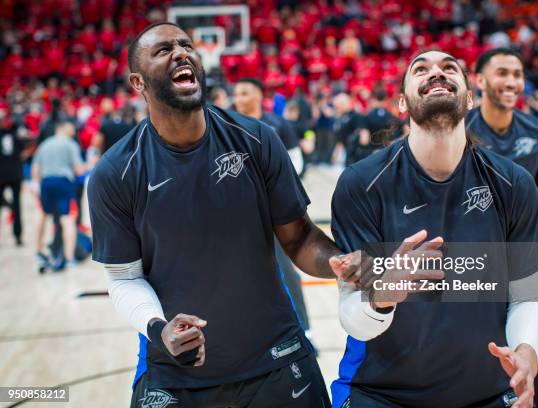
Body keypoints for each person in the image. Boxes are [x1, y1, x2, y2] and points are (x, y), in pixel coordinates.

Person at [87, 22, 359, 408]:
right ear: (138, 83)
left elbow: (298, 238)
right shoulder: (115, 173)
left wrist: (345, 263)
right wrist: (158, 328)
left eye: (186, 46)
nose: (181, 53)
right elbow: (124, 278)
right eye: (163, 50)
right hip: (176, 370)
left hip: (276, 358)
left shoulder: (257, 139)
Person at [331, 50, 538, 408]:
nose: (437, 73)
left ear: (470, 98)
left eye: (449, 68)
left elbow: (526, 297)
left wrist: (526, 351)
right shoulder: (360, 184)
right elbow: (354, 320)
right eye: (421, 69)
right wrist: (381, 297)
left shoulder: (513, 182)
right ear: (402, 102)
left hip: (487, 392)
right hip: (381, 394)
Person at [468, 47, 538, 408]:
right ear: (480, 80)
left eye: (518, 74)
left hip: (526, 265)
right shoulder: (459, 130)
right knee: (478, 357)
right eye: (502, 72)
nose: (512, 81)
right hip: (474, 264)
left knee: (534, 360)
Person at [232, 77, 312, 339]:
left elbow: (296, 163)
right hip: (240, 213)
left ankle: (304, 331)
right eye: (236, 94)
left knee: (286, 273)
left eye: (244, 92)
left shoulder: (279, 124)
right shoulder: (227, 126)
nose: (238, 98)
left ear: (257, 95)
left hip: (274, 211)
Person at [32, 120, 84, 272]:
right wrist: (91, 164)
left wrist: (38, 186)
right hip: (63, 183)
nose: (74, 132)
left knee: (42, 215)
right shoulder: (70, 144)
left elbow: (36, 170)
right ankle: (69, 259)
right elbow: (79, 170)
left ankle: (38, 252)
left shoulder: (44, 145)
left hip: (46, 183)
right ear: (63, 128)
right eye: (72, 129)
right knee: (67, 219)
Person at [0, 108, 25, 246]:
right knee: (17, 206)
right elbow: (24, 150)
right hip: (14, 173)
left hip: (4, 174)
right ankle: (18, 235)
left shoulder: (13, 134)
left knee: (16, 206)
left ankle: (18, 235)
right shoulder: (14, 134)